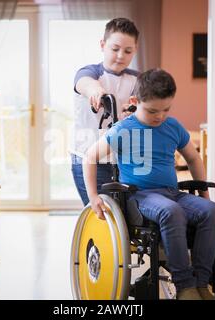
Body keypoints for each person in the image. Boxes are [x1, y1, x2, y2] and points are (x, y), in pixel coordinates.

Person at [82, 68, 215, 300]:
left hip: (172, 193)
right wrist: (93, 197)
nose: (160, 116)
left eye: (166, 109)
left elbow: (194, 158)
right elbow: (89, 157)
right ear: (135, 102)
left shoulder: (173, 126)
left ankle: (201, 284)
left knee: (212, 211)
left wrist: (203, 195)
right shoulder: (123, 130)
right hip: (140, 197)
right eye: (152, 110)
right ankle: (185, 286)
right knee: (171, 211)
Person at [71, 17, 139, 205]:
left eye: (127, 51)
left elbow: (143, 107)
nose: (120, 56)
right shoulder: (89, 72)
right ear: (103, 45)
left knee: (124, 218)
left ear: (135, 50)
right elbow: (85, 83)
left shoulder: (137, 80)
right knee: (100, 212)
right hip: (88, 157)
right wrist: (96, 91)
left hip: (123, 160)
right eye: (115, 49)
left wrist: (134, 111)